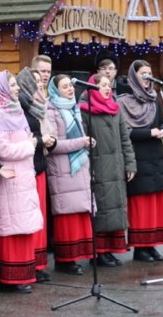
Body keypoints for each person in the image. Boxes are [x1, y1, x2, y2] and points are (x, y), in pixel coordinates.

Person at [0, 71, 43, 293]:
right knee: (10, 229)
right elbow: (2, 149)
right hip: (9, 177)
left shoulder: (16, 109)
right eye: (11, 85)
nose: (17, 88)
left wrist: (30, 144)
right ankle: (8, 278)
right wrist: (30, 146)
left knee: (23, 227)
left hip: (23, 176)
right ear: (1, 89)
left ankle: (22, 274)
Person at [118, 60, 163, 262]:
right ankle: (140, 248)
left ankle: (152, 245)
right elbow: (124, 132)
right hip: (137, 156)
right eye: (143, 74)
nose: (147, 78)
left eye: (150, 73)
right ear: (134, 77)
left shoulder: (154, 99)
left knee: (156, 201)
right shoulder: (124, 101)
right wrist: (148, 132)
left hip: (156, 156)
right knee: (141, 204)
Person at [80, 74, 136, 267]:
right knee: (102, 209)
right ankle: (100, 252)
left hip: (116, 165)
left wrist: (130, 164)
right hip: (98, 165)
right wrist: (88, 168)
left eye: (109, 85)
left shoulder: (115, 108)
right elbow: (83, 142)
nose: (107, 88)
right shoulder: (85, 110)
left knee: (115, 207)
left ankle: (112, 250)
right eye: (103, 85)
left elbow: (125, 139)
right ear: (92, 87)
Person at [46, 74, 94, 275]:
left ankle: (78, 256)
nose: (69, 89)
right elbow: (53, 144)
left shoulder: (73, 108)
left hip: (78, 167)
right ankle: (65, 260)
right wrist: (81, 142)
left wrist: (86, 143)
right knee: (67, 216)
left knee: (79, 213)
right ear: (55, 90)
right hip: (62, 168)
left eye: (70, 86)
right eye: (64, 86)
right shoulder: (51, 111)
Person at [16, 67, 56, 282]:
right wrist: (42, 140)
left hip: (40, 163)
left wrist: (51, 140)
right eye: (35, 81)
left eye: (41, 81)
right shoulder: (21, 106)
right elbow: (26, 136)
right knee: (31, 217)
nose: (39, 84)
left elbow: (45, 132)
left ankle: (39, 263)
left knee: (39, 217)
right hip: (28, 166)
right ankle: (31, 262)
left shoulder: (36, 105)